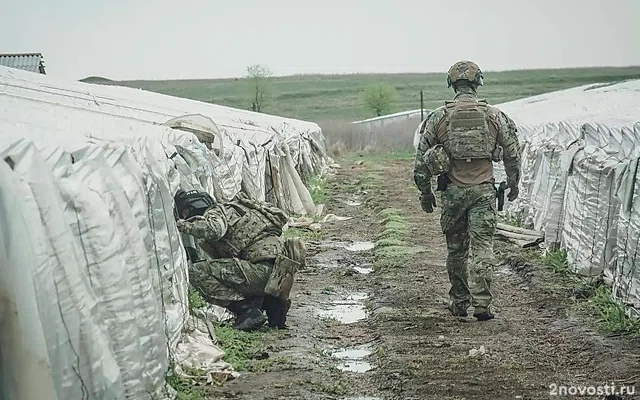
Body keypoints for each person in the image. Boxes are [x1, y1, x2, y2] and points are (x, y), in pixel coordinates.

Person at [413, 60, 521, 321]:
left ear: (451, 84)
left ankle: (459, 302)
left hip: (452, 193)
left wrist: (426, 193)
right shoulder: (495, 116)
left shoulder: (439, 117)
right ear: (478, 82)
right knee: (483, 247)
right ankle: (482, 304)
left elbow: (420, 162)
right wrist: (513, 183)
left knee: (456, 250)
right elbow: (512, 154)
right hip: (483, 192)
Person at [173, 189, 306, 331]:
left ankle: (246, 311)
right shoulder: (236, 211)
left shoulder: (217, 211)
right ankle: (271, 303)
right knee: (225, 271)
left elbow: (214, 230)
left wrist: (180, 224)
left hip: (260, 271)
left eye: (186, 214)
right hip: (278, 274)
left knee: (196, 272)